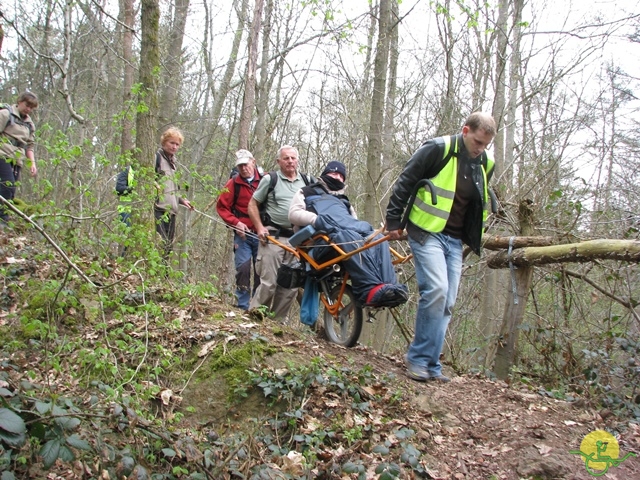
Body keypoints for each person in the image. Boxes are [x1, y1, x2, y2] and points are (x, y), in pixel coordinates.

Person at [385, 112, 496, 383]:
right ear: (465, 130)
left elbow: (477, 201)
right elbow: (405, 182)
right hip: (426, 230)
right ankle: (418, 360)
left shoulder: (486, 162)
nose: (480, 149)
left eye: (485, 145)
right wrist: (393, 221)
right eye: (477, 142)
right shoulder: (438, 149)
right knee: (436, 290)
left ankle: (432, 366)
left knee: (448, 301)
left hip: (455, 239)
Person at [289, 160, 408, 308]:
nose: (337, 177)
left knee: (378, 238)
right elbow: (293, 214)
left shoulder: (344, 202)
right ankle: (368, 290)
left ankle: (389, 287)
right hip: (321, 243)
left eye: (341, 176)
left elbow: (354, 223)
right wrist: (316, 220)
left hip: (344, 238)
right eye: (334, 173)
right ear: (325, 174)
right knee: (349, 237)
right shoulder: (306, 192)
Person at [247, 145, 308, 321]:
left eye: (293, 158)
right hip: (273, 237)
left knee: (290, 286)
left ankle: (277, 324)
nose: (290, 161)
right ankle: (255, 318)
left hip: (297, 241)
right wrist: (259, 227)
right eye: (286, 158)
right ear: (279, 161)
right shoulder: (270, 179)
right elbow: (252, 204)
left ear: (297, 160)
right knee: (269, 283)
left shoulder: (306, 181)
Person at [216, 149, 262, 311]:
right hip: (242, 235)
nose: (243, 168)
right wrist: (235, 222)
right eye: (240, 165)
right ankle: (242, 305)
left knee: (260, 271)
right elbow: (222, 207)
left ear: (253, 162)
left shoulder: (265, 180)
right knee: (243, 268)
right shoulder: (233, 183)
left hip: (262, 234)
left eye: (246, 164)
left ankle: (257, 306)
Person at [154, 127, 194, 260]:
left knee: (168, 247)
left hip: (172, 211)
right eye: (172, 143)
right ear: (164, 142)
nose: (174, 147)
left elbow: (173, 189)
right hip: (159, 209)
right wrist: (154, 185)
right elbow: (147, 179)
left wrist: (183, 201)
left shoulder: (173, 164)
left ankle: (164, 276)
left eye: (177, 144)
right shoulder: (157, 158)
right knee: (160, 243)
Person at [0, 91, 38, 226]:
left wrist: (32, 163)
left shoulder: (29, 124)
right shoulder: (5, 114)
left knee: (11, 190)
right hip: (2, 154)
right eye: (27, 105)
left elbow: (30, 146)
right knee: (6, 184)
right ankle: (2, 220)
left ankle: (4, 216)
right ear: (20, 102)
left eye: (31, 107)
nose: (28, 109)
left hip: (17, 159)